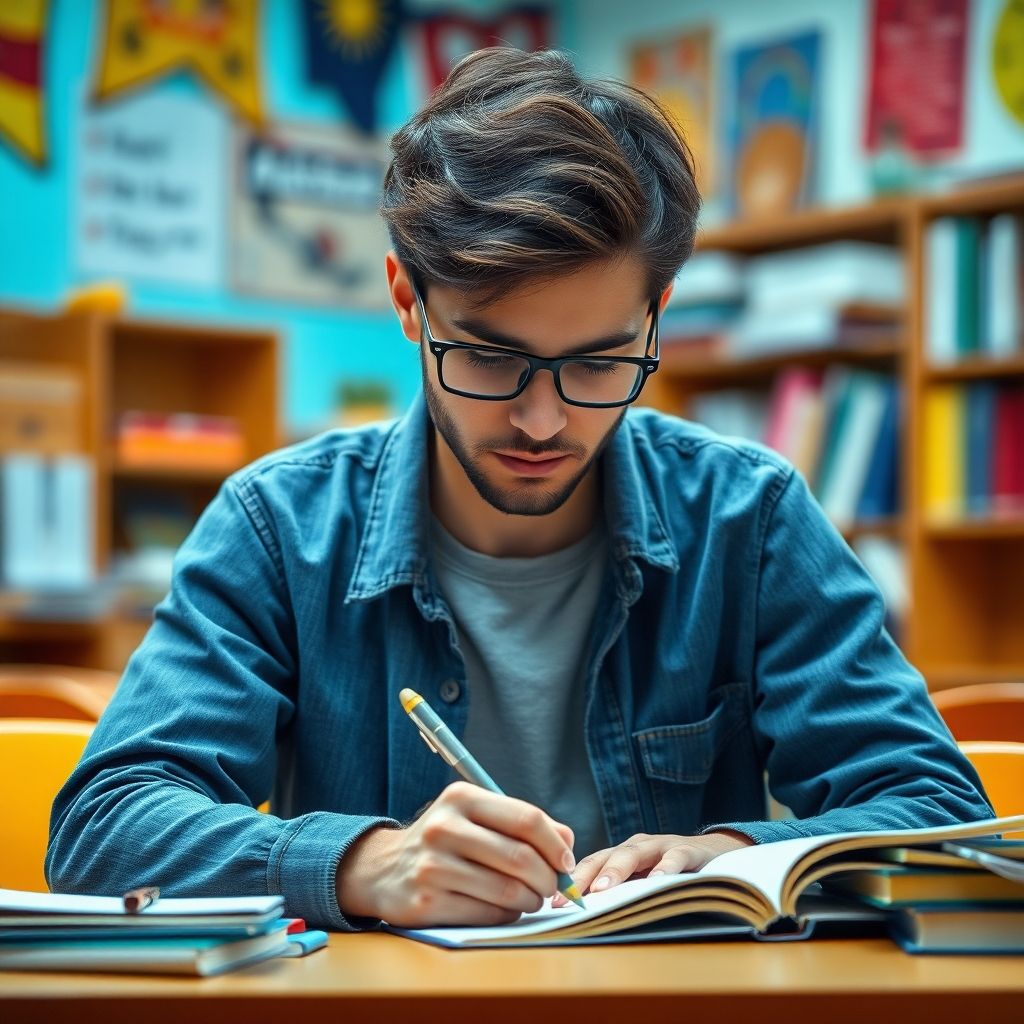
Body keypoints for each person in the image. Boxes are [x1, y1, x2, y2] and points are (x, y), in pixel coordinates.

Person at [47, 47, 991, 931]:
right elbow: (103, 827)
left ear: (656, 315)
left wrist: (735, 853)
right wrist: (363, 864)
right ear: (407, 302)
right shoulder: (279, 527)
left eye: (597, 363)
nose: (543, 421)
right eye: (492, 359)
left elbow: (939, 811)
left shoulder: (748, 519)